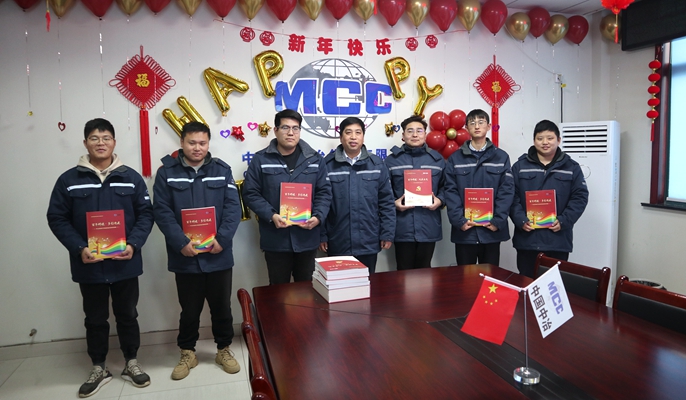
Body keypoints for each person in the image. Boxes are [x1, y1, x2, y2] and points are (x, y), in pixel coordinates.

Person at [47, 118, 153, 398]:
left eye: (106, 138)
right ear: (85, 143)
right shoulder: (69, 180)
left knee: (128, 315)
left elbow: (146, 214)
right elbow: (56, 217)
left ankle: (131, 362)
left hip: (125, 262)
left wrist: (134, 244)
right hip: (89, 264)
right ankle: (99, 367)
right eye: (94, 138)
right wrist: (79, 247)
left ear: (114, 142)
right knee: (95, 318)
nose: (101, 143)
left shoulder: (131, 177)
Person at [153, 121, 242, 380]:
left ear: (208, 143)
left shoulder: (222, 170)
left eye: (202, 143)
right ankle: (187, 352)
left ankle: (223, 349)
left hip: (218, 254)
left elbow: (233, 208)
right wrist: (180, 242)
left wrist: (222, 239)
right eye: (192, 142)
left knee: (221, 307)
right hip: (185, 256)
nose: (197, 148)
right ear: (182, 142)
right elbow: (162, 211)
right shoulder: (166, 173)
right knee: (189, 309)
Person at [243, 109, 332, 284]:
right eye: (285, 127)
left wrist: (318, 217)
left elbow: (324, 192)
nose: (291, 133)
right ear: (276, 130)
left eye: (295, 128)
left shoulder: (315, 159)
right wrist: (271, 215)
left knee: (306, 290)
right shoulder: (261, 159)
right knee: (278, 291)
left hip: (307, 238)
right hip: (276, 239)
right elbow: (250, 193)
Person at [510, 119, 589, 278]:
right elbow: (511, 196)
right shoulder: (520, 166)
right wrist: (520, 220)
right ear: (534, 141)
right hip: (528, 240)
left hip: (557, 240)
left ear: (558, 140)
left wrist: (564, 220)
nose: (545, 142)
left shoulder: (571, 167)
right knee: (526, 281)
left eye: (550, 138)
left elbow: (580, 197)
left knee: (554, 285)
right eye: (540, 138)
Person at [320, 117, 395, 273]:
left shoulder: (376, 164)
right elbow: (321, 202)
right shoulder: (327, 165)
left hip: (368, 239)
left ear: (363, 136)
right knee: (339, 285)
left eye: (358, 132)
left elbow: (386, 202)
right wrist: (322, 235)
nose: (353, 137)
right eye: (348, 133)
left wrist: (387, 233)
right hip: (337, 240)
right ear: (341, 137)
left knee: (367, 283)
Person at [444, 109, 514, 266]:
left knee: (489, 277)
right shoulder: (455, 158)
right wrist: (460, 221)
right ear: (466, 128)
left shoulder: (501, 157)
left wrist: (497, 221)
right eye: (472, 123)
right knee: (464, 277)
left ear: (488, 126)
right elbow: (450, 191)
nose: (477, 126)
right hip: (465, 231)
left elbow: (507, 191)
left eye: (481, 122)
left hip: (491, 230)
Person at [384, 115, 445, 270]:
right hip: (402, 226)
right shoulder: (391, 161)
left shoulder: (437, 160)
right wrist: (394, 203)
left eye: (419, 131)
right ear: (403, 136)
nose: (415, 135)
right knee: (403, 271)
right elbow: (383, 191)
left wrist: (440, 200)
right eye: (410, 131)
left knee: (425, 270)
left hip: (428, 224)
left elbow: (448, 187)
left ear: (425, 134)